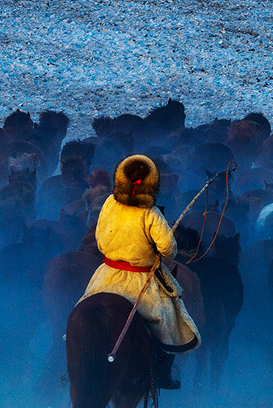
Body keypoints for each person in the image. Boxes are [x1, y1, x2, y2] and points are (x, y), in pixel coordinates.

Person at [79, 154, 200, 389]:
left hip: (107, 274)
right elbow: (168, 249)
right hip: (141, 279)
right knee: (167, 318)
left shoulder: (108, 204)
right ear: (150, 183)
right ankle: (163, 372)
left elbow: (100, 240)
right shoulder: (151, 213)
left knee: (84, 307)